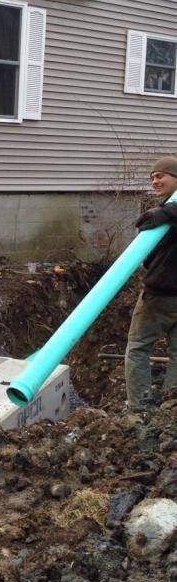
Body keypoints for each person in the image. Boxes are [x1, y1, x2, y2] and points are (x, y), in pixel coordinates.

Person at [125, 156, 177, 411]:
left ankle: (139, 409)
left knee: (137, 348)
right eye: (152, 177)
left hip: (160, 294)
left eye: (161, 176)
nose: (155, 181)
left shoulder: (170, 210)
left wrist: (164, 211)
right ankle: (171, 408)